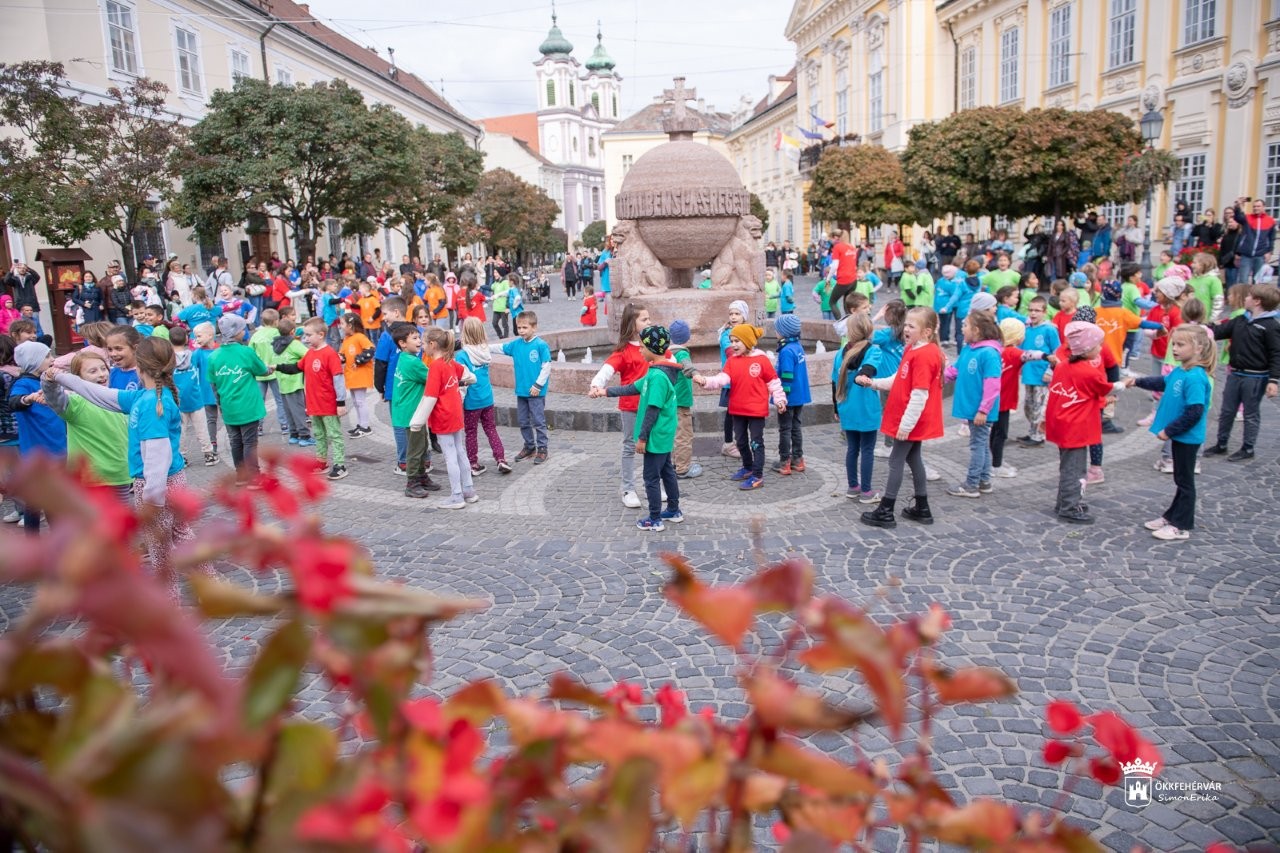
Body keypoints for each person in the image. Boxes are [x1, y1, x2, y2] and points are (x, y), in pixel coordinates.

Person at [856, 307, 944, 528]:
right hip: (910, 418)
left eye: (911, 326)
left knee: (896, 461)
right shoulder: (912, 349)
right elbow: (899, 378)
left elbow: (919, 394)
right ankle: (922, 507)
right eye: (905, 324)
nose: (905, 329)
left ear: (927, 332)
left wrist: (906, 425)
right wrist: (874, 383)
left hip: (911, 419)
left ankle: (886, 510)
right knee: (914, 460)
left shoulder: (925, 355)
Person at [1127, 324, 1216, 541]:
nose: (1174, 349)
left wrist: (1169, 430)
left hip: (1188, 437)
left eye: (1180, 344)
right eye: (1173, 344)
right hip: (1180, 436)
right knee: (1180, 478)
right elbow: (1163, 382)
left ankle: (1181, 525)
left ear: (1198, 348)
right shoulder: (1181, 370)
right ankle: (1171, 516)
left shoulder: (1195, 377)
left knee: (1185, 482)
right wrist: (1138, 381)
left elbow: (1195, 411)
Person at [593, 325, 683, 531]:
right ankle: (674, 510)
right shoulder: (659, 371)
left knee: (651, 477)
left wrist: (642, 438)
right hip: (664, 434)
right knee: (667, 471)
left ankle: (654, 518)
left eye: (642, 346)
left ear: (652, 348)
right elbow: (632, 387)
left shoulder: (658, 377)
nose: (640, 350)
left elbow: (652, 409)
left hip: (656, 436)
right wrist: (605, 392)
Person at [691, 323, 786, 491]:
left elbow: (774, 382)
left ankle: (757, 475)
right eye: (731, 341)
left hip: (756, 410)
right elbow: (721, 379)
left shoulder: (761, 360)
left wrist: (779, 399)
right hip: (737, 409)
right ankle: (748, 467)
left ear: (748, 341)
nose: (733, 344)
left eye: (737, 341)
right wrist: (705, 381)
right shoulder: (732, 361)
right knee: (741, 442)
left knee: (756, 442)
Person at [1045, 322, 1124, 525]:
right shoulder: (1088, 372)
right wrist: (1123, 385)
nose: (1101, 348)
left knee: (1067, 466)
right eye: (1098, 345)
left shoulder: (1063, 366)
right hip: (1076, 426)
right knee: (1075, 468)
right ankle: (1070, 507)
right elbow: (1103, 388)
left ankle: (1063, 501)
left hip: (1062, 423)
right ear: (1088, 348)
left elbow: (1083, 393)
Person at [1205, 283, 1280, 461]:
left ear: (1257, 301)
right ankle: (1221, 444)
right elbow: (1219, 331)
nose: (1244, 298)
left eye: (1248, 296)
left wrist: (1274, 380)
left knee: (1250, 413)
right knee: (1227, 410)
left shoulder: (1270, 326)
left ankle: (1248, 448)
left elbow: (1276, 353)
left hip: (1255, 377)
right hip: (1235, 373)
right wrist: (1201, 327)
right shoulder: (1241, 320)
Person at [589, 303, 651, 508]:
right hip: (631, 406)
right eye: (644, 319)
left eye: (649, 318)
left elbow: (669, 360)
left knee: (655, 446)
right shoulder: (625, 351)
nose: (649, 322)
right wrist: (596, 385)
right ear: (632, 325)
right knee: (629, 446)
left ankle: (654, 483)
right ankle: (628, 488)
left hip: (653, 405)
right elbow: (608, 368)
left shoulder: (653, 346)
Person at [273, 318, 348, 481]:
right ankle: (321, 462)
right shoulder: (310, 354)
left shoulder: (330, 354)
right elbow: (296, 368)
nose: (305, 339)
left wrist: (340, 403)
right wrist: (277, 367)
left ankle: (339, 464)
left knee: (334, 434)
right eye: (305, 335)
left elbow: (338, 379)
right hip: (314, 404)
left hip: (328, 404)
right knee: (319, 434)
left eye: (308, 335)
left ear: (321, 335)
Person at [410, 327, 476, 510]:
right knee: (460, 451)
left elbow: (430, 397)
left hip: (443, 416)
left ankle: (457, 495)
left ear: (432, 345)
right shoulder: (450, 362)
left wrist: (417, 422)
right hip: (455, 413)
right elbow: (471, 377)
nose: (422, 347)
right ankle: (469, 490)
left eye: (423, 343)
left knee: (450, 456)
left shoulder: (435, 367)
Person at [207, 315, 273, 484]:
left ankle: (241, 475)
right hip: (248, 405)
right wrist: (269, 369)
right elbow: (261, 370)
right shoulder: (246, 352)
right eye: (243, 329)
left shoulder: (214, 357)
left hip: (228, 407)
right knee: (250, 442)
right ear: (236, 332)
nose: (245, 331)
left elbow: (214, 384)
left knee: (235, 441)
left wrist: (220, 405)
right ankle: (254, 476)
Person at [9, 342, 67, 533]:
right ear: (34, 362)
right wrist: (29, 398)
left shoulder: (48, 379)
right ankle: (33, 544)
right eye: (47, 356)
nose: (52, 359)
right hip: (37, 452)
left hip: (58, 446)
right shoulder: (23, 383)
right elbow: (14, 402)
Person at [944, 312, 1003, 499]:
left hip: (980, 411)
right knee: (982, 444)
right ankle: (984, 481)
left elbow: (993, 384)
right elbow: (954, 370)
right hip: (972, 408)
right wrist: (938, 377)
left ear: (976, 330)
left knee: (977, 445)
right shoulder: (969, 349)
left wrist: (983, 410)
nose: (961, 329)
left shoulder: (989, 353)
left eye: (965, 326)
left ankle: (971, 484)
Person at [832, 312, 883, 502]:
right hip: (866, 407)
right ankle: (867, 492)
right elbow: (869, 368)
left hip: (845, 406)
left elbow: (833, 382)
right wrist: (863, 375)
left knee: (852, 448)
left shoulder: (840, 352)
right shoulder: (873, 350)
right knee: (867, 449)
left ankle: (853, 487)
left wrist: (836, 408)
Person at [388, 323, 439, 498]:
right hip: (411, 413)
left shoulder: (405, 358)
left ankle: (422, 476)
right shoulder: (412, 363)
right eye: (415, 338)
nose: (419, 341)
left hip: (410, 411)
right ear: (403, 343)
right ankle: (412, 483)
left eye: (419, 337)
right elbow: (434, 378)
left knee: (422, 445)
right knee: (416, 449)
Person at [456, 317, 509, 477]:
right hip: (487, 398)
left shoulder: (462, 355)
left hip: (472, 401)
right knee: (491, 428)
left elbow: (461, 381)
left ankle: (473, 463)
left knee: (471, 432)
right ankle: (501, 459)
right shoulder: (485, 351)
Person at [503, 311, 551, 463]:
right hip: (522, 391)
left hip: (536, 392)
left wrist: (538, 385)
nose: (521, 330)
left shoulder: (541, 345)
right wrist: (482, 347)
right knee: (523, 420)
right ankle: (529, 446)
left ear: (534, 327)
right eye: (519, 327)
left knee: (538, 421)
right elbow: (501, 348)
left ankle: (542, 448)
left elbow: (546, 367)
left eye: (525, 327)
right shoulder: (516, 344)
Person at [168, 326, 219, 464]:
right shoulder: (193, 355)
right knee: (202, 428)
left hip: (177, 400)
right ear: (186, 339)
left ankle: (182, 457)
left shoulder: (169, 359)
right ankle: (209, 454)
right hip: (196, 397)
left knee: (180, 430)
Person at [772, 314, 809, 475]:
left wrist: (782, 398)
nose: (775, 332)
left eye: (777, 329)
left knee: (785, 429)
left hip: (789, 397)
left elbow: (787, 375)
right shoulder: (797, 346)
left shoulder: (786, 351)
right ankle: (798, 459)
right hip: (800, 395)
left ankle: (784, 461)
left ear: (784, 332)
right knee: (796, 427)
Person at [665, 320, 701, 479]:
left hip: (671, 400)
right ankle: (683, 468)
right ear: (687, 337)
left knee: (673, 434)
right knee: (684, 435)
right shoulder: (682, 353)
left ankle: (674, 462)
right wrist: (696, 375)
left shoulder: (667, 353)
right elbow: (687, 366)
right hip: (681, 401)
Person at [715, 301, 749, 458]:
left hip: (743, 380)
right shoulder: (726, 334)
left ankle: (740, 441)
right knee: (731, 413)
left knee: (742, 412)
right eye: (731, 314)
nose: (734, 317)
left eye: (737, 313)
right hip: (731, 381)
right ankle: (728, 444)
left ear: (744, 316)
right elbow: (732, 353)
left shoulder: (745, 331)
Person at [339, 314, 376, 438]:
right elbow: (343, 354)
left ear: (350, 325)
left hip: (360, 374)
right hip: (352, 374)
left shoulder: (360, 337)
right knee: (356, 402)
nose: (340, 326)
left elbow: (370, 349)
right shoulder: (346, 339)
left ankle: (365, 426)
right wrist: (340, 358)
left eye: (342, 324)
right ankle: (360, 424)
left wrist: (359, 360)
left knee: (360, 401)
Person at [1231, 197, 1277, 284]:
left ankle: (1255, 297)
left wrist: (1270, 252)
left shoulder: (1270, 221)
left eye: (1258, 206)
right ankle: (1243, 297)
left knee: (1257, 281)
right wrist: (1237, 206)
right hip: (1246, 255)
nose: (1256, 208)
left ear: (1264, 207)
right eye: (1254, 206)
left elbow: (1271, 238)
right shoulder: (1248, 218)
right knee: (1243, 280)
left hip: (1260, 254)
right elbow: (1237, 217)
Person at [827, 230, 859, 319]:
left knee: (832, 302)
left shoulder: (838, 247)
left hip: (844, 279)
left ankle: (840, 323)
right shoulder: (852, 247)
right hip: (853, 280)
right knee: (847, 304)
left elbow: (835, 266)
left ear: (837, 237)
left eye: (832, 238)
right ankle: (851, 324)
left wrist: (828, 278)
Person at [1187, 253, 1224, 320]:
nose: (1192, 265)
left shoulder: (1213, 280)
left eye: (1195, 263)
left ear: (1204, 264)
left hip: (1205, 319)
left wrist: (1213, 319)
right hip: (1190, 316)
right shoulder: (1192, 279)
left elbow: (1218, 300)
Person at [491, 274, 511, 339]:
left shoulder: (505, 282)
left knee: (504, 324)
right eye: (494, 273)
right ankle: (500, 336)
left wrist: (507, 307)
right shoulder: (495, 282)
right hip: (496, 307)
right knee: (494, 323)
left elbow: (508, 293)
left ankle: (505, 338)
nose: (495, 274)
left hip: (503, 307)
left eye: (496, 272)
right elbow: (490, 287)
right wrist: (480, 287)